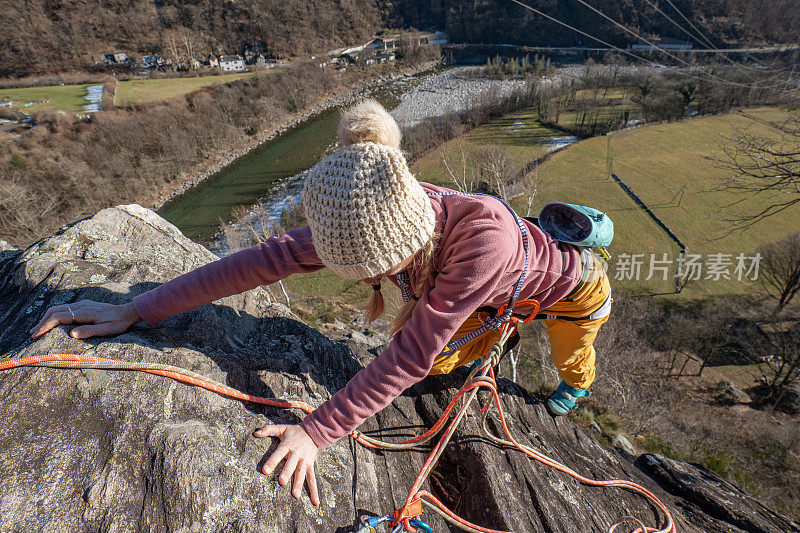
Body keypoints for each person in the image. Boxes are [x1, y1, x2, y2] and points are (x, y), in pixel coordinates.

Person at [30, 99, 611, 508]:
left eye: (379, 274)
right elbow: (256, 262)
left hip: (569, 293)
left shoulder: (484, 243)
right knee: (441, 367)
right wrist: (140, 308)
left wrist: (316, 430)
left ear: (404, 249)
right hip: (487, 295)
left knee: (568, 352)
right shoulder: (370, 210)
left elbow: (407, 356)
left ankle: (576, 387)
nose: (370, 281)